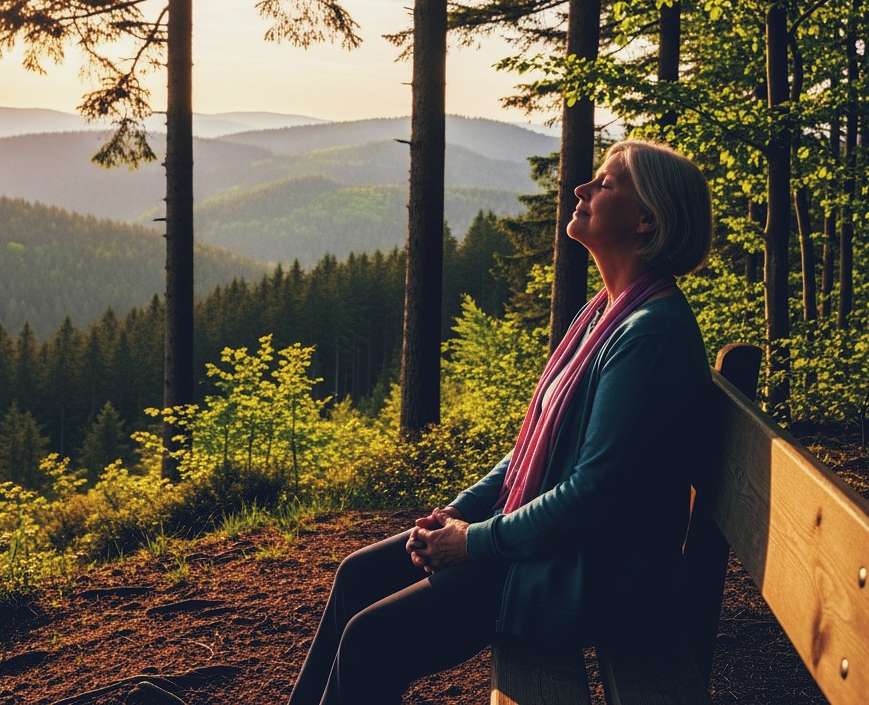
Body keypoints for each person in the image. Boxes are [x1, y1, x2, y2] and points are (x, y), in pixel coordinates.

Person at [287, 139, 714, 705]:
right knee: (357, 575)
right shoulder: (608, 312)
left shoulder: (650, 333)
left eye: (607, 183)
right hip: (556, 548)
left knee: (372, 638)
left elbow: (591, 494)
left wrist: (474, 543)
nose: (582, 189)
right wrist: (461, 511)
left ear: (647, 220)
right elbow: (534, 449)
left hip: (591, 576)